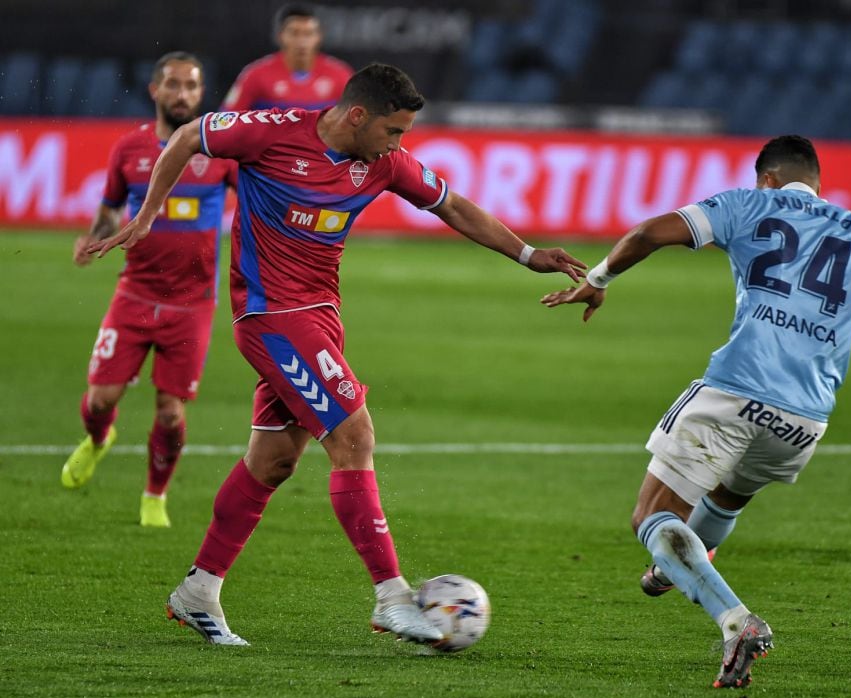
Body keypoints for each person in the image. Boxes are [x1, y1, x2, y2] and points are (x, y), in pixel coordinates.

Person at [89, 63, 586, 646]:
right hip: (271, 316)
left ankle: (199, 591)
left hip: (321, 318)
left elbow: (452, 205)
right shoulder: (270, 132)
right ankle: (392, 599)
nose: (399, 144)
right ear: (357, 115)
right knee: (355, 438)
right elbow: (187, 136)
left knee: (272, 461)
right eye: (393, 131)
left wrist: (529, 255)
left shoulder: (385, 164)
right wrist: (146, 215)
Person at [541, 135, 851, 688]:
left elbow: (648, 233)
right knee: (727, 495)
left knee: (650, 517)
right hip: (804, 418)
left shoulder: (747, 204)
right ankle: (675, 564)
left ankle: (735, 620)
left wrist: (597, 280)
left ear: (769, 178)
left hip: (734, 391)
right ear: (818, 183)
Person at [63, 51, 236, 529]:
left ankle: (154, 496)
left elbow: (256, 201)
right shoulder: (129, 149)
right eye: (173, 85)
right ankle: (98, 441)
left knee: (169, 411)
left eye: (191, 86)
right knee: (100, 399)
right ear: (155, 91)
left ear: (201, 94)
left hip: (192, 304)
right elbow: (109, 207)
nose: (182, 94)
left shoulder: (217, 151)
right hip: (134, 294)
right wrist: (94, 237)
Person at [222, 3, 353, 112]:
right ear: (280, 36)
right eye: (294, 33)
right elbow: (226, 120)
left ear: (319, 37)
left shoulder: (341, 75)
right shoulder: (255, 75)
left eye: (308, 33)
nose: (302, 42)